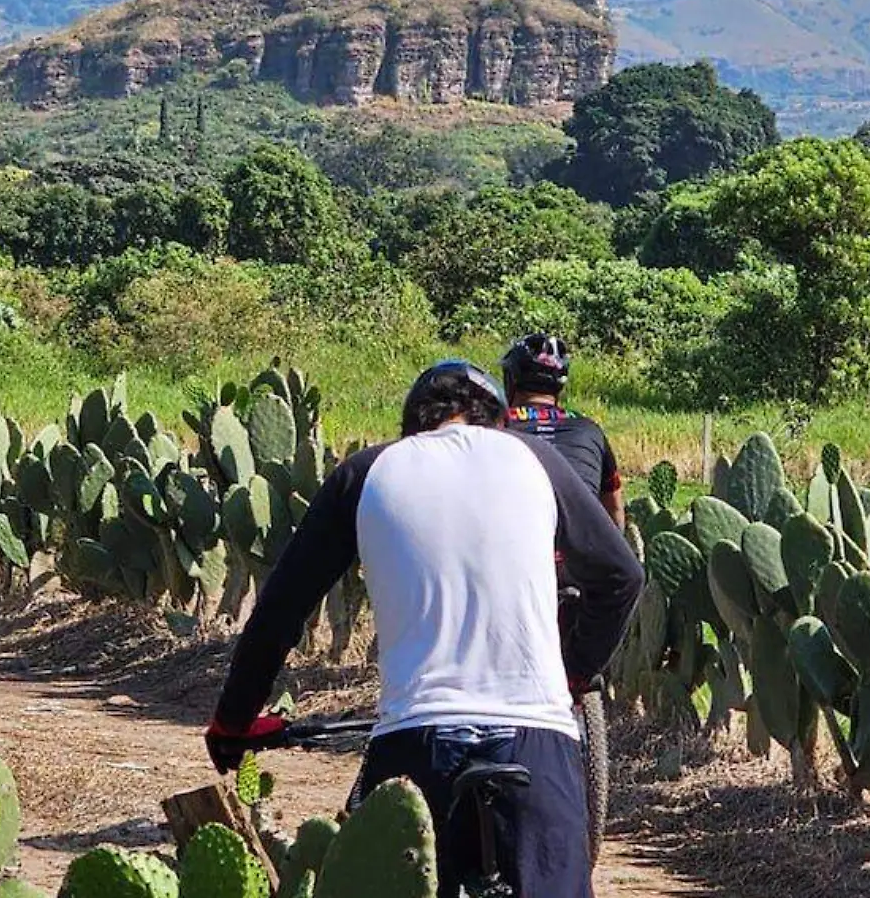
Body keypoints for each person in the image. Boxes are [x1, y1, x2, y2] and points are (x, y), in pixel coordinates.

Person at [205, 360, 645, 898]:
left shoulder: (367, 471)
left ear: (413, 424)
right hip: (536, 737)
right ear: (497, 422)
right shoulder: (536, 459)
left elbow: (281, 610)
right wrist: (573, 673)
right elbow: (622, 575)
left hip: (416, 741)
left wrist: (233, 722)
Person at [500, 334, 625, 528]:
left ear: (511, 381)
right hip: (581, 550)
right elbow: (614, 507)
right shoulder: (590, 429)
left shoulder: (496, 426)